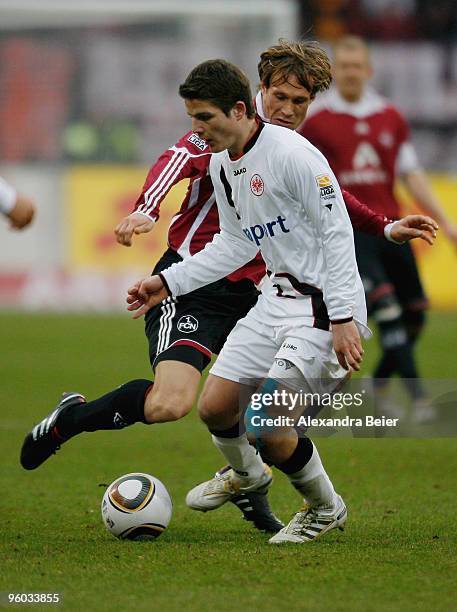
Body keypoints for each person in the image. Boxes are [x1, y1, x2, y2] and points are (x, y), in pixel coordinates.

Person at [20, 42, 436, 534]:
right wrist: (156, 241)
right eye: (279, 97)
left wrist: (377, 242)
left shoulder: (289, 150)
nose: (287, 111)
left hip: (294, 298)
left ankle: (306, 496)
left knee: (269, 415)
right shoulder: (218, 137)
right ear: (256, 95)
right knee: (196, 406)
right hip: (213, 285)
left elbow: (332, 212)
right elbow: (188, 176)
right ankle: (243, 473)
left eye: (300, 103)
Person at [125, 57, 372, 545]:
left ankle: (326, 508)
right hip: (273, 299)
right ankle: (248, 476)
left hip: (322, 309)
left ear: (238, 110)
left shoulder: (295, 156)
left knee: (266, 425)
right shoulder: (223, 163)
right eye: (192, 118)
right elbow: (236, 244)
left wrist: (343, 317)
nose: (196, 130)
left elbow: (338, 232)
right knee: (216, 408)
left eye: (204, 119)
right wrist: (169, 283)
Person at [299, 36, 457, 422]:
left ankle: (378, 387)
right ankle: (420, 401)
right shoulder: (317, 120)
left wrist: (449, 223)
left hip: (394, 225)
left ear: (369, 71)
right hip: (351, 232)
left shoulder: (390, 116)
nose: (351, 73)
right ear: (334, 71)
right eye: (345, 66)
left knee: (415, 315)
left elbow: (412, 174)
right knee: (386, 309)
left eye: (358, 66)